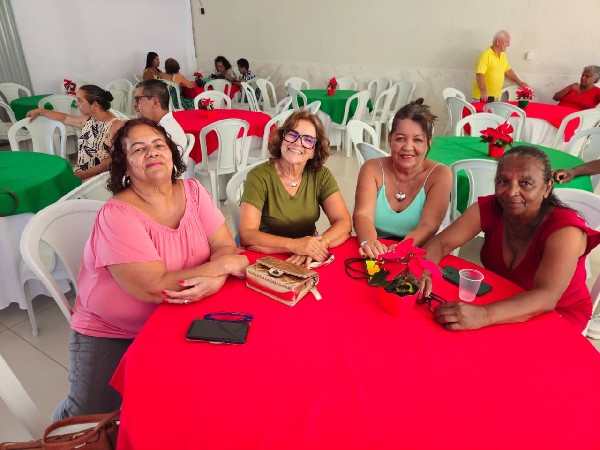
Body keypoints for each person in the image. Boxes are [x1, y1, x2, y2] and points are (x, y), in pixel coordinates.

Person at [52, 118, 248, 420]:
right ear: (125, 165)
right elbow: (155, 286)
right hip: (114, 329)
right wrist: (221, 267)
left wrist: (217, 276)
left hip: (181, 315)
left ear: (171, 153)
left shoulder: (194, 191)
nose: (152, 152)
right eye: (138, 149)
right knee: (88, 417)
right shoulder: (117, 214)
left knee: (194, 399)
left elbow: (223, 244)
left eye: (159, 145)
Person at [420, 145, 600, 333]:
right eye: (503, 181)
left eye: (526, 183)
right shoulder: (491, 207)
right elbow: (441, 243)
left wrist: (483, 315)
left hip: (558, 314)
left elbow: (546, 297)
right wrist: (424, 271)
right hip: (503, 297)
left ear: (547, 187)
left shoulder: (565, 231)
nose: (511, 192)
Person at [238, 110, 352, 267]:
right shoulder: (259, 176)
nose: (298, 143)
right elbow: (247, 235)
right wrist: (294, 245)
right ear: (282, 138)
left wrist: (319, 245)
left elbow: (344, 222)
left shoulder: (321, 175)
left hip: (305, 257)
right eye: (292, 135)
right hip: (266, 256)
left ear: (314, 151)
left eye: (308, 140)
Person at [353, 99, 452, 259]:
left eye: (417, 140)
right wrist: (369, 243)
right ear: (390, 138)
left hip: (416, 252)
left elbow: (429, 225)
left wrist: (403, 248)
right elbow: (362, 215)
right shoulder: (371, 168)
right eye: (400, 138)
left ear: (428, 143)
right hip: (375, 251)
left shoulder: (440, 174)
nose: (408, 147)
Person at [27, 85, 124, 181]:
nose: (77, 104)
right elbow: (65, 118)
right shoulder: (89, 120)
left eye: (80, 101)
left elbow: (114, 160)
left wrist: (85, 174)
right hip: (82, 173)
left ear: (95, 105)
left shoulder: (116, 126)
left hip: (99, 180)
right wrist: (41, 111)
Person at [472, 30, 527, 102]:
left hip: (496, 96)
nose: (509, 44)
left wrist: (520, 82)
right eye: (507, 41)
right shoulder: (485, 55)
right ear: (498, 41)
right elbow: (480, 75)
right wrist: (483, 92)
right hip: (483, 97)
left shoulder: (502, 55)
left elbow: (508, 71)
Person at [133, 79, 187, 152]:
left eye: (138, 99)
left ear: (155, 102)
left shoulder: (164, 133)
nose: (134, 104)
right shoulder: (162, 126)